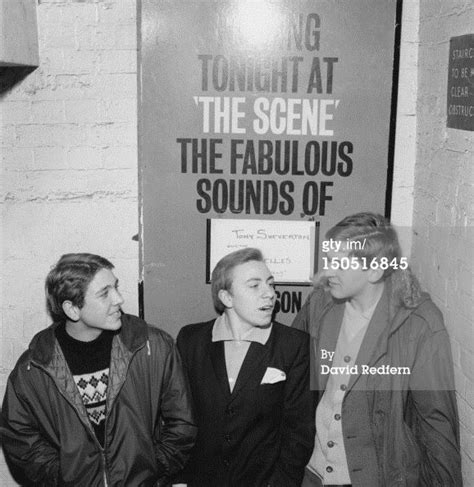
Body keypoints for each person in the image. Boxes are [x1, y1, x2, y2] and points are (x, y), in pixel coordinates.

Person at [293, 212, 462, 487]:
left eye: (339, 263)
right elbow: (290, 368)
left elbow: (436, 422)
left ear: (375, 270)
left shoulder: (419, 324)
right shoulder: (320, 304)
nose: (328, 272)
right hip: (312, 473)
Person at [1, 253, 197, 486]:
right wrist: (63, 475)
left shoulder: (152, 346)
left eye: (116, 287)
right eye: (104, 293)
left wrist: (152, 467)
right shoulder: (35, 366)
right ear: (72, 309)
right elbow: (19, 436)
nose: (119, 299)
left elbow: (183, 422)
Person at [174, 248, 315, 487]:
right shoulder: (191, 340)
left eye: (271, 285)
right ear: (227, 298)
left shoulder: (293, 345)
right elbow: (177, 418)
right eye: (254, 286)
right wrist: (178, 480)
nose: (269, 294)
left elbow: (299, 430)